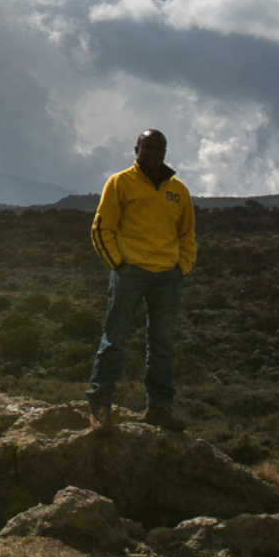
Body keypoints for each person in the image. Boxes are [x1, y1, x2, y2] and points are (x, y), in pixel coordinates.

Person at [89, 128, 196, 431]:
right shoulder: (120, 183)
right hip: (130, 272)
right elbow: (101, 228)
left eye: (159, 149)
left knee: (162, 345)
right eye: (147, 148)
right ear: (135, 149)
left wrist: (181, 268)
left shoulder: (178, 190)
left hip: (166, 277)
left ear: (165, 152)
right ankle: (100, 407)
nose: (152, 154)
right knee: (114, 340)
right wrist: (119, 265)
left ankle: (159, 408)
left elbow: (187, 234)